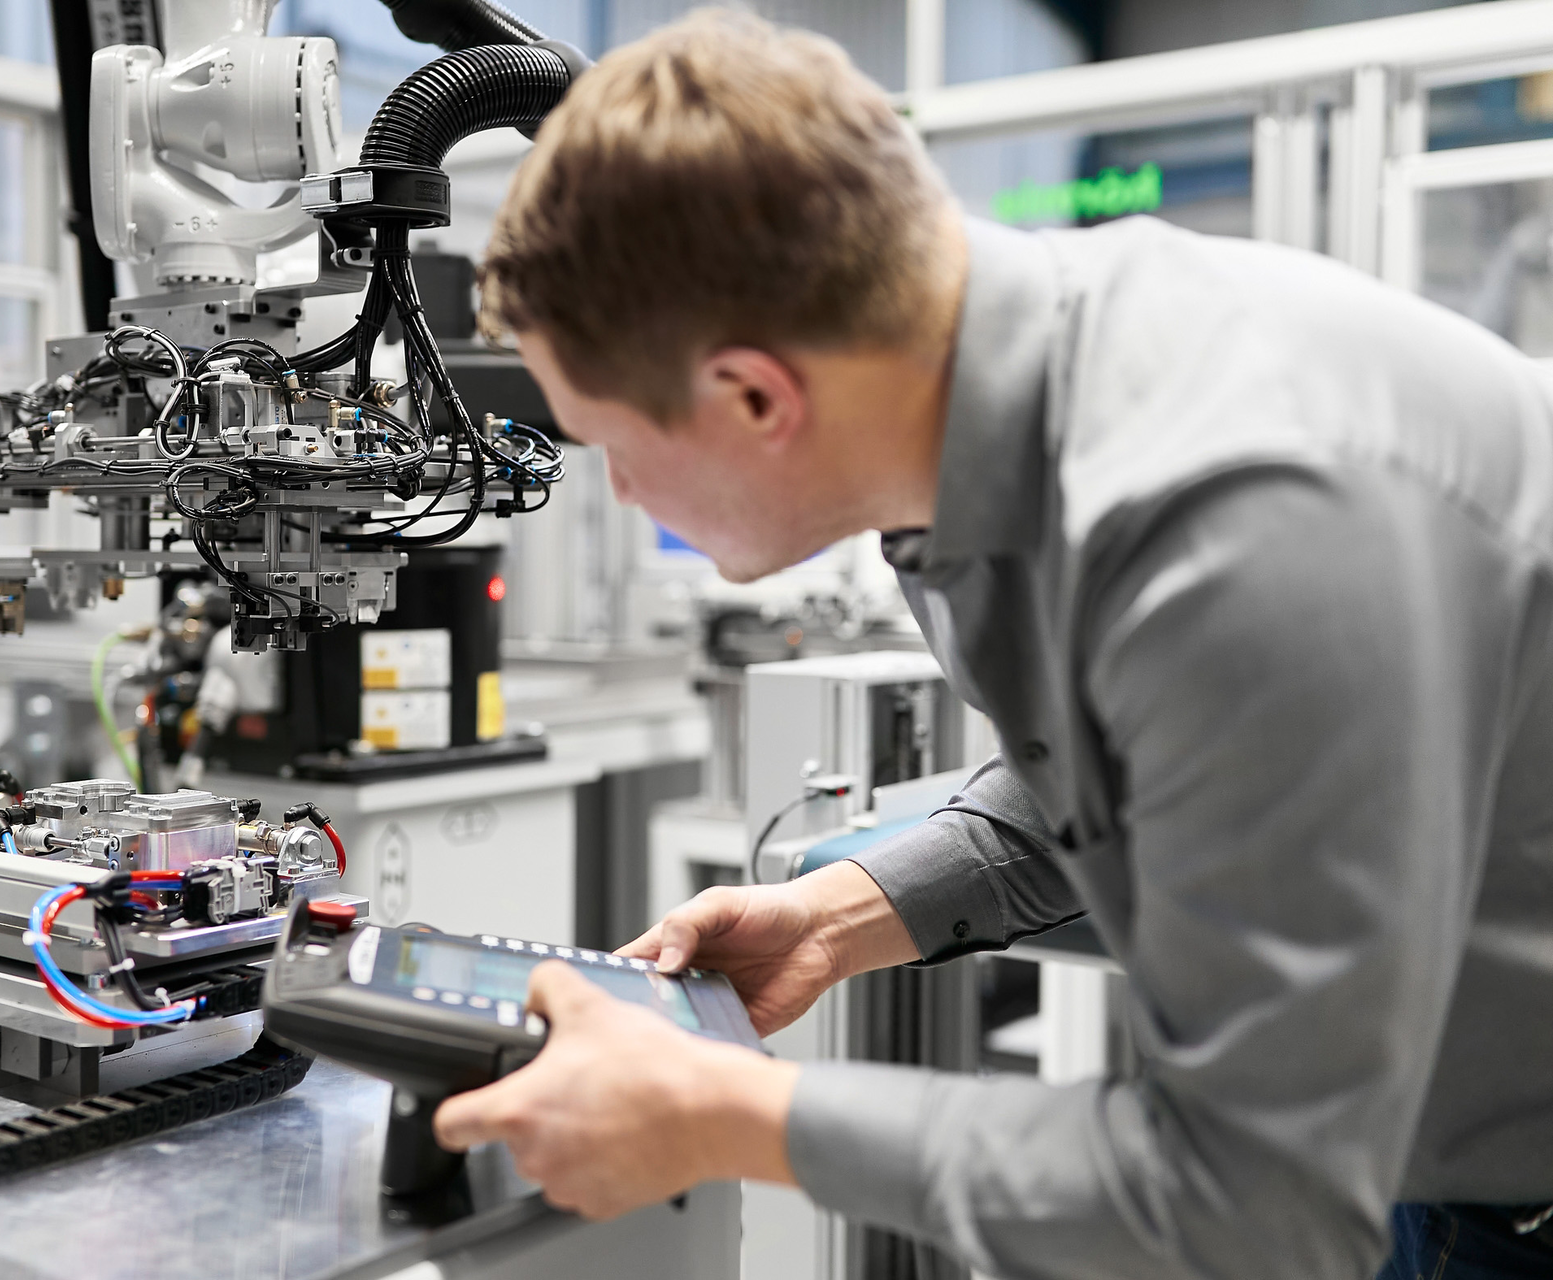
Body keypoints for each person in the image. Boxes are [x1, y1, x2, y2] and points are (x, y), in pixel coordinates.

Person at [426, 10, 1553, 1280]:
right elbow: (1143, 763)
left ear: (754, 396)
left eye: (612, 442)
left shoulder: (1237, 518)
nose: (621, 493)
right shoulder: (990, 426)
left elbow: (1253, 1203)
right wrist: (844, 913)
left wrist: (723, 1114)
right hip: (1421, 1153)